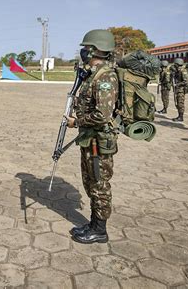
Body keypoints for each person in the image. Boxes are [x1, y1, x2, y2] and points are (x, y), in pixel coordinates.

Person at [65, 29, 118, 244]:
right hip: (90, 138)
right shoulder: (94, 73)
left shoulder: (106, 77)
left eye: (86, 48)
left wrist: (76, 122)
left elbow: (103, 115)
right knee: (90, 181)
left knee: (99, 183)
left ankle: (100, 230)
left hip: (99, 141)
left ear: (96, 49)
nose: (83, 52)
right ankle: (94, 223)